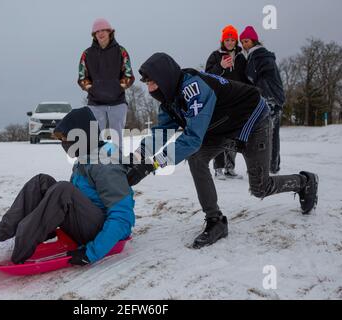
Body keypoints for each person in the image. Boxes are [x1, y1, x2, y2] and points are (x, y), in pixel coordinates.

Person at [127, 52, 318, 249]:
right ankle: (215, 221)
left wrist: (151, 165)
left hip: (252, 121)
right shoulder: (169, 100)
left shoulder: (194, 89)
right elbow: (161, 133)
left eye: (152, 83)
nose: (150, 89)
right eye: (147, 84)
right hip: (221, 128)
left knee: (261, 187)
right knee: (196, 158)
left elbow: (192, 138)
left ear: (165, 78)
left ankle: (304, 182)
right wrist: (134, 158)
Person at [0, 107, 135, 266]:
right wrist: (46, 222)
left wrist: (90, 253)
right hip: (85, 224)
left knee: (64, 190)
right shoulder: (85, 159)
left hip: (102, 233)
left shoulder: (106, 165)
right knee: (41, 182)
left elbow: (123, 218)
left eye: (65, 138)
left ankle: (16, 248)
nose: (63, 144)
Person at [77, 18, 135, 150]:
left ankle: (118, 167)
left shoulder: (121, 51)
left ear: (110, 32)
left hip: (117, 103)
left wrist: (117, 87)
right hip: (95, 104)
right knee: (94, 139)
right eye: (97, 31)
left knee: (116, 140)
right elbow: (82, 77)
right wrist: (92, 88)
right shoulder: (87, 54)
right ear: (94, 35)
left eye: (103, 30)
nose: (100, 33)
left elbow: (128, 75)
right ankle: (96, 167)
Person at [205, 25, 250, 180]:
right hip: (220, 100)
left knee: (233, 136)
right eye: (227, 39)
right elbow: (207, 76)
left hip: (237, 100)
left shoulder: (241, 57)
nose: (230, 42)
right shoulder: (215, 56)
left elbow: (246, 79)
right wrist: (220, 67)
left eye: (232, 39)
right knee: (220, 134)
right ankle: (218, 168)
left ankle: (230, 169)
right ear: (222, 41)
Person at [240, 26, 285, 174]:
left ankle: (270, 166)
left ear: (253, 41)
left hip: (269, 98)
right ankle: (273, 165)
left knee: (266, 133)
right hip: (273, 97)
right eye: (242, 42)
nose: (244, 45)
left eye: (246, 41)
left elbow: (251, 76)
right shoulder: (261, 55)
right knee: (271, 133)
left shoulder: (258, 55)